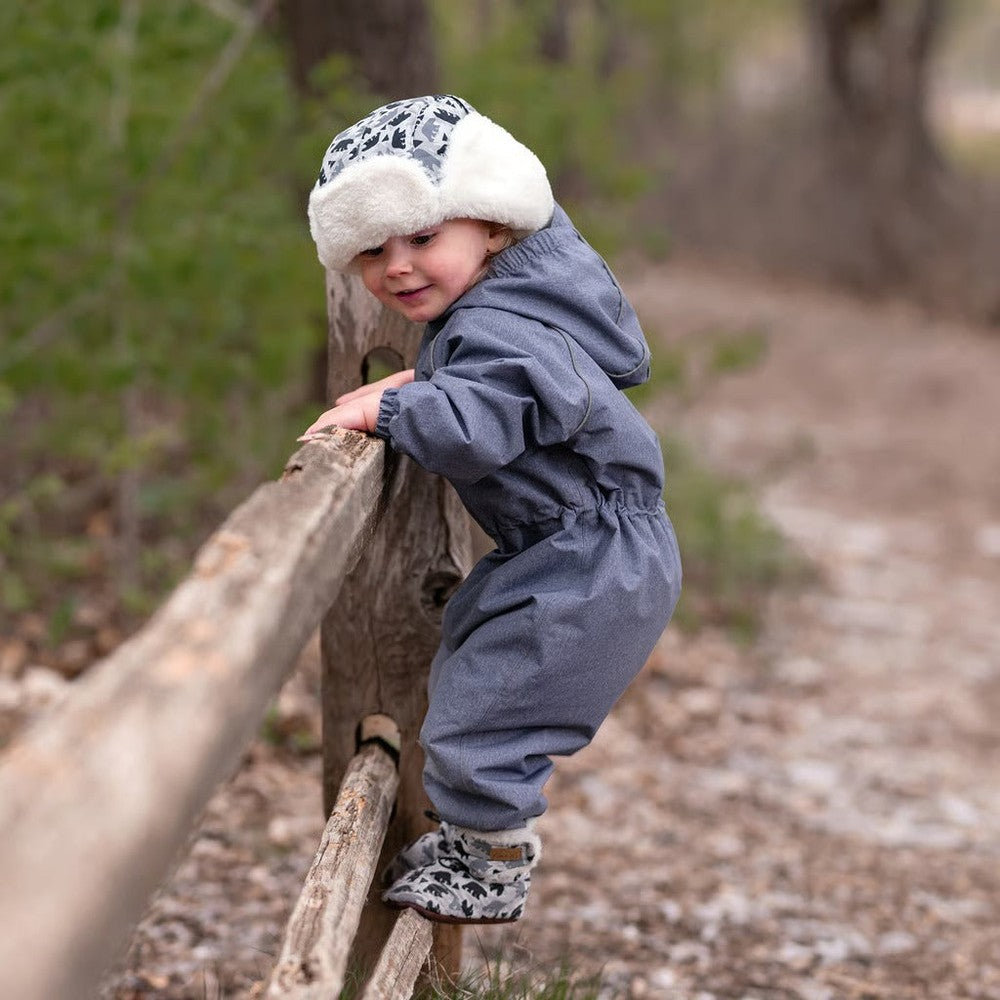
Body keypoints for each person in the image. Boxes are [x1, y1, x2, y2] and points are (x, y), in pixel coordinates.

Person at [300, 94, 681, 925]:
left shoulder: (502, 327)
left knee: (486, 710)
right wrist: (425, 381)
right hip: (575, 544)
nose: (396, 266)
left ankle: (491, 867)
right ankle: (476, 838)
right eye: (372, 248)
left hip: (589, 555)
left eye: (424, 239)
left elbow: (474, 428)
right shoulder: (510, 307)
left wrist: (391, 411)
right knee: (473, 663)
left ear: (495, 227)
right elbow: (494, 393)